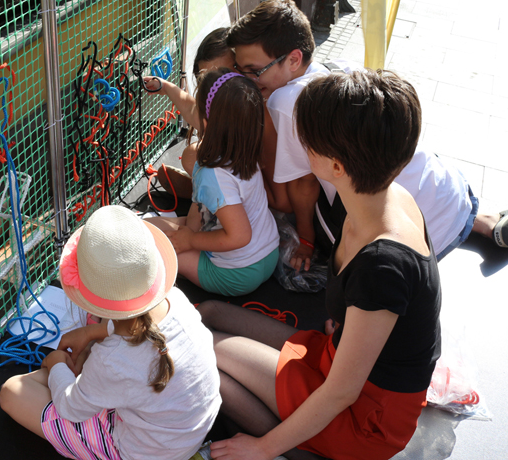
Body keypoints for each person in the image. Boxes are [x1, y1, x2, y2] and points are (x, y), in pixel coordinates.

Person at [199, 70, 441, 460]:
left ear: (337, 166)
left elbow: (341, 392)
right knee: (209, 312)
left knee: (203, 350)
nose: (300, 146)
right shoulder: (385, 196)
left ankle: (291, 448)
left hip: (365, 416)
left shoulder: (382, 266)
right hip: (341, 358)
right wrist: (351, 327)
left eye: (308, 141)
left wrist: (261, 449)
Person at [226, 0, 507, 270]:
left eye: (253, 70)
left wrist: (307, 240)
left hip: (408, 237)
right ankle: (487, 223)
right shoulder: (338, 67)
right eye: (238, 68)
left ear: (294, 60)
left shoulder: (285, 102)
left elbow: (303, 186)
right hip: (449, 194)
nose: (245, 78)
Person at [0, 205, 221, 460]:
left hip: (145, 453)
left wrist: (56, 362)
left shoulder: (112, 361)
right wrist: (93, 332)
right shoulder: (177, 300)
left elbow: (70, 408)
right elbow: (139, 341)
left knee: (11, 391)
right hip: (187, 434)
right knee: (78, 373)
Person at [147, 69, 279, 296]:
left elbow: (239, 236)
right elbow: (205, 212)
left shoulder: (212, 174)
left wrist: (191, 240)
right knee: (150, 227)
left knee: (152, 246)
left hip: (235, 274)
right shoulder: (244, 147)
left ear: (207, 123)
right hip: (268, 254)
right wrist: (167, 88)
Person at [143, 27, 237, 198]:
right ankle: (202, 188)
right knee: (191, 155)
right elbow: (191, 108)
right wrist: (166, 86)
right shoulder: (221, 106)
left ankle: (205, 191)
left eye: (224, 75)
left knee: (196, 156)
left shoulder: (248, 108)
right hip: (233, 179)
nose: (216, 86)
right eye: (208, 79)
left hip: (248, 191)